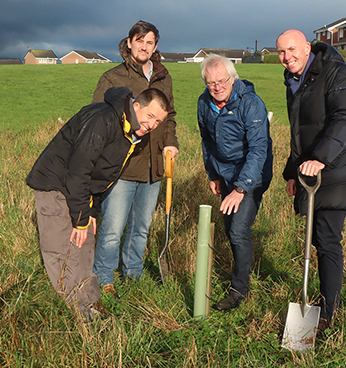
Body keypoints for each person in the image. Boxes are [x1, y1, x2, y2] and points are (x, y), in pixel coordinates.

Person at [26, 87, 171, 322]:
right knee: (63, 247)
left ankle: (92, 302)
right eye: (150, 116)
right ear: (136, 105)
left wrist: (90, 211)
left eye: (158, 121)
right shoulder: (102, 119)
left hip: (79, 190)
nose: (152, 125)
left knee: (85, 247)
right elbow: (79, 169)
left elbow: (102, 175)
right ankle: (80, 313)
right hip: (55, 184)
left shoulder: (132, 132)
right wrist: (81, 217)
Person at [276, 29, 346, 337]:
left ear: (306, 48)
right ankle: (324, 299)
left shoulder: (333, 71)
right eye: (280, 53)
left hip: (336, 168)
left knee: (327, 240)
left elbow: (344, 118)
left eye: (291, 50)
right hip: (312, 171)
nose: (286, 57)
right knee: (318, 239)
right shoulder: (295, 80)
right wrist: (292, 172)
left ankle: (328, 312)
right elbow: (300, 133)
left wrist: (322, 159)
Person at [92, 21, 178, 297]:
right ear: (129, 43)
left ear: (155, 47)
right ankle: (104, 277)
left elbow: (170, 117)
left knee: (141, 227)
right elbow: (99, 119)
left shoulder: (164, 77)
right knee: (113, 228)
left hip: (154, 167)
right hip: (122, 166)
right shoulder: (112, 78)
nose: (144, 46)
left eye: (150, 42)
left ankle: (133, 273)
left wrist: (170, 143)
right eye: (139, 41)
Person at [197, 54, 273, 311]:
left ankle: (239, 291)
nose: (217, 87)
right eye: (211, 83)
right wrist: (213, 174)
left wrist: (241, 188)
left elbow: (258, 150)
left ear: (232, 78)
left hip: (252, 175)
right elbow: (207, 141)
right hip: (225, 174)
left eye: (222, 81)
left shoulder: (251, 104)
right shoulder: (204, 103)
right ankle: (240, 270)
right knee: (230, 228)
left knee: (238, 230)